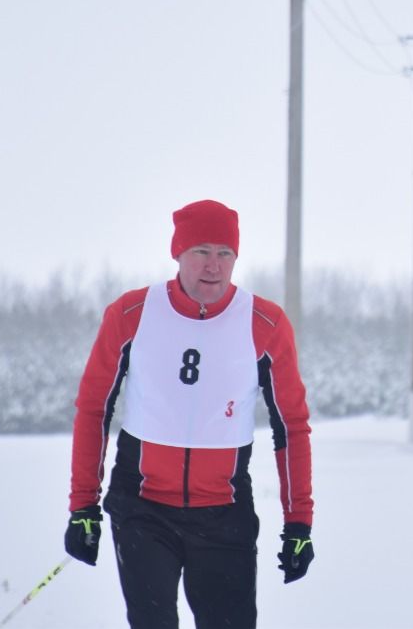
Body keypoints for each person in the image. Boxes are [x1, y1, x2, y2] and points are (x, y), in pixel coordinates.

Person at [64, 199, 314, 629]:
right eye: (201, 251)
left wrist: (299, 523)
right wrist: (83, 505)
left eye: (225, 254)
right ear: (177, 252)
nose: (213, 266)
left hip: (224, 513)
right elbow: (93, 410)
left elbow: (291, 427)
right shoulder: (131, 314)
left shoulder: (264, 323)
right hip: (143, 509)